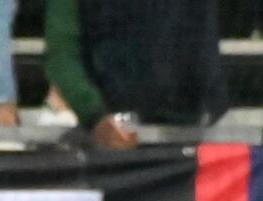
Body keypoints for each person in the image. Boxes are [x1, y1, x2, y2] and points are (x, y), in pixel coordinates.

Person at [44, 0, 228, 149]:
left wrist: (211, 105)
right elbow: (63, 56)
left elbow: (206, 42)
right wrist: (97, 116)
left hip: (187, 129)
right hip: (118, 125)